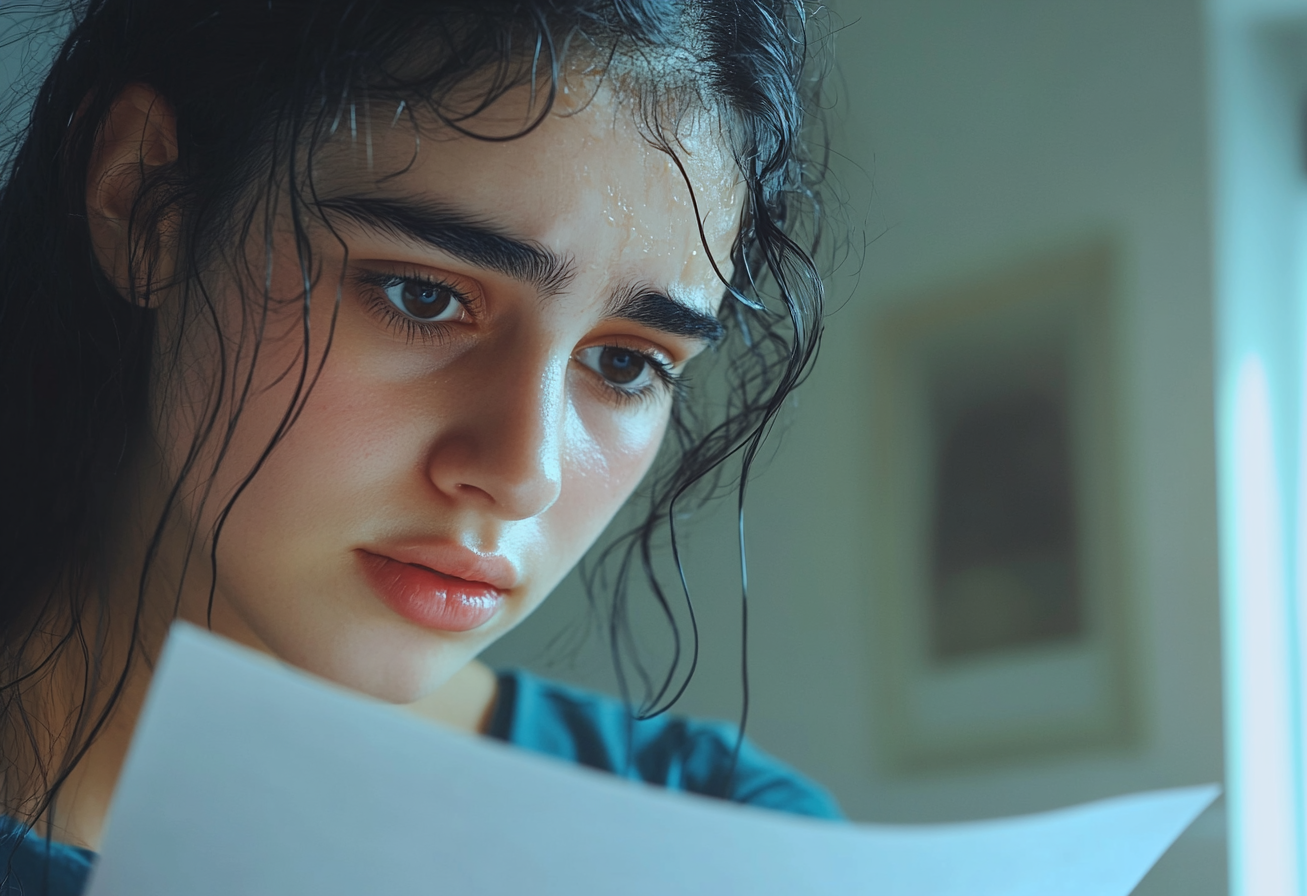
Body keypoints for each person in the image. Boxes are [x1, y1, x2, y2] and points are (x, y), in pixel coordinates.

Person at [0, 0, 834, 890]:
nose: (524, 475)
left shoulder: (732, 845)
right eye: (423, 298)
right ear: (144, 205)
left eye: (626, 362)